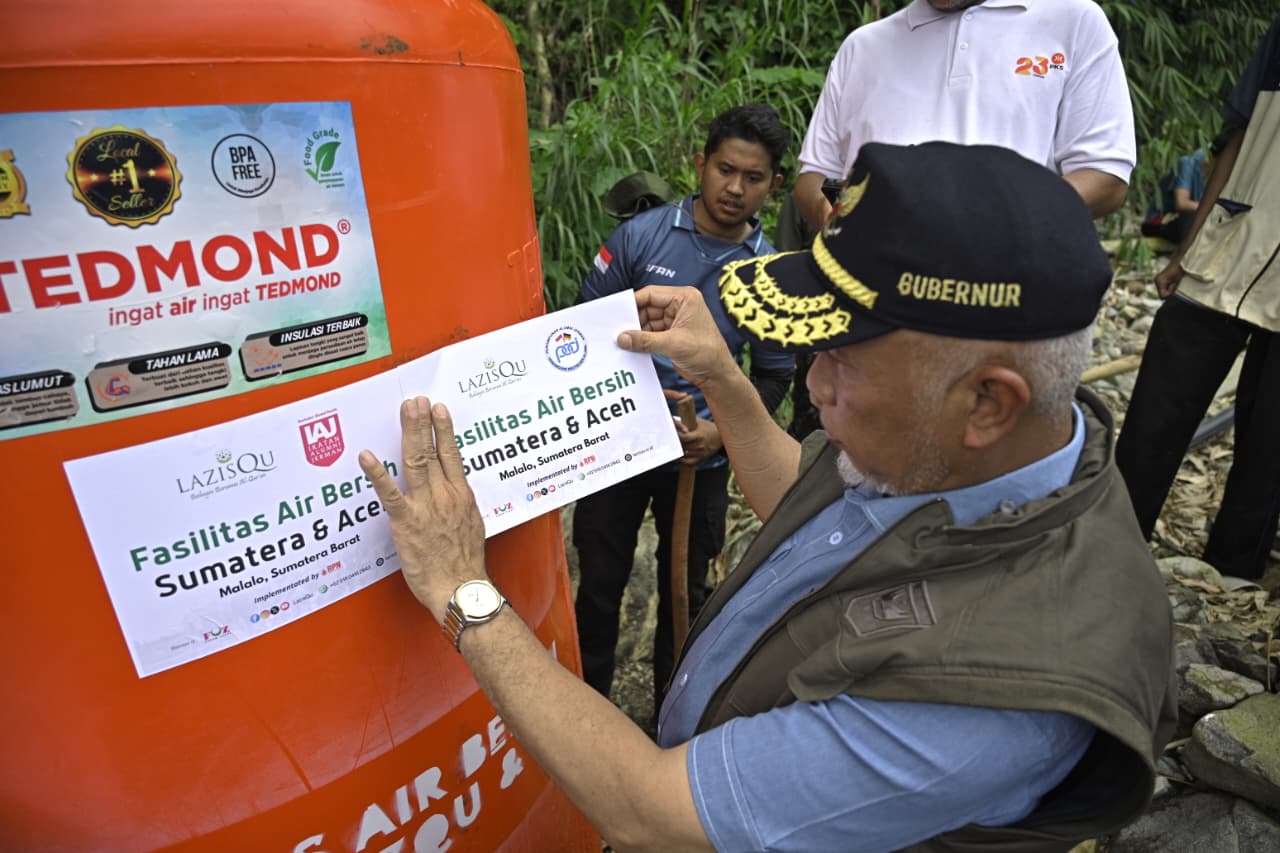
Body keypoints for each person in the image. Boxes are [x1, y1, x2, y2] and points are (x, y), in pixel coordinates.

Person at [359, 142, 1175, 852]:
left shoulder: (994, 695)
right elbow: (816, 513)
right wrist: (721, 375)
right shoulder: (963, 459)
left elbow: (647, 810)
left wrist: (461, 586)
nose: (813, 385)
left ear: (988, 404)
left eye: (844, 362)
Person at [571, 103, 796, 707]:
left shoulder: (767, 273)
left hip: (701, 460)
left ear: (773, 186)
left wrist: (722, 435)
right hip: (614, 448)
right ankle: (586, 709)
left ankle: (671, 723)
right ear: (700, 163)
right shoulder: (639, 238)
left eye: (753, 178)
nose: (734, 188)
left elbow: (775, 375)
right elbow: (579, 336)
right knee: (598, 584)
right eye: (725, 169)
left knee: (687, 594)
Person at [1116, 15, 1280, 581]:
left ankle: (1231, 577)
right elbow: (1237, 135)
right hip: (1233, 242)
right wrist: (1189, 245)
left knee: (1269, 447)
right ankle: (1111, 543)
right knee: (1156, 409)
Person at [792, 0, 1136, 232]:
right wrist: (841, 219)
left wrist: (997, 229)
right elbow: (816, 176)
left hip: (1008, 293)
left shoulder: (1072, 19)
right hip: (868, 293)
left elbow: (1104, 176)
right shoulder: (863, 46)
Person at [1139, 147, 1211, 247]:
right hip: (1161, 221)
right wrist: (1212, 207)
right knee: (1191, 219)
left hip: (1187, 220)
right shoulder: (1188, 163)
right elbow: (1181, 203)